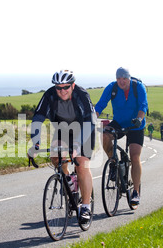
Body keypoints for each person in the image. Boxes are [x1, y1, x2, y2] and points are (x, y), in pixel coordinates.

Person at [28, 69, 96, 223]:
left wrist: (78, 145)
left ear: (73, 85)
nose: (62, 91)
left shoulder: (82, 94)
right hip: (62, 130)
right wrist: (35, 142)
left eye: (66, 87)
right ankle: (69, 180)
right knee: (55, 157)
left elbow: (90, 120)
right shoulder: (50, 94)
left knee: (82, 164)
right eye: (59, 88)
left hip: (84, 130)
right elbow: (38, 117)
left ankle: (85, 206)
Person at [95, 67, 148, 206]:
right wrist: (91, 120)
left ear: (129, 78)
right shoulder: (111, 88)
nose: (121, 81)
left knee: (135, 156)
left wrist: (139, 119)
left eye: (124, 78)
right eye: (119, 78)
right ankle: (113, 162)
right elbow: (100, 105)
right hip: (118, 122)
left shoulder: (138, 87)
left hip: (136, 125)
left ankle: (135, 192)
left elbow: (143, 105)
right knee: (105, 136)